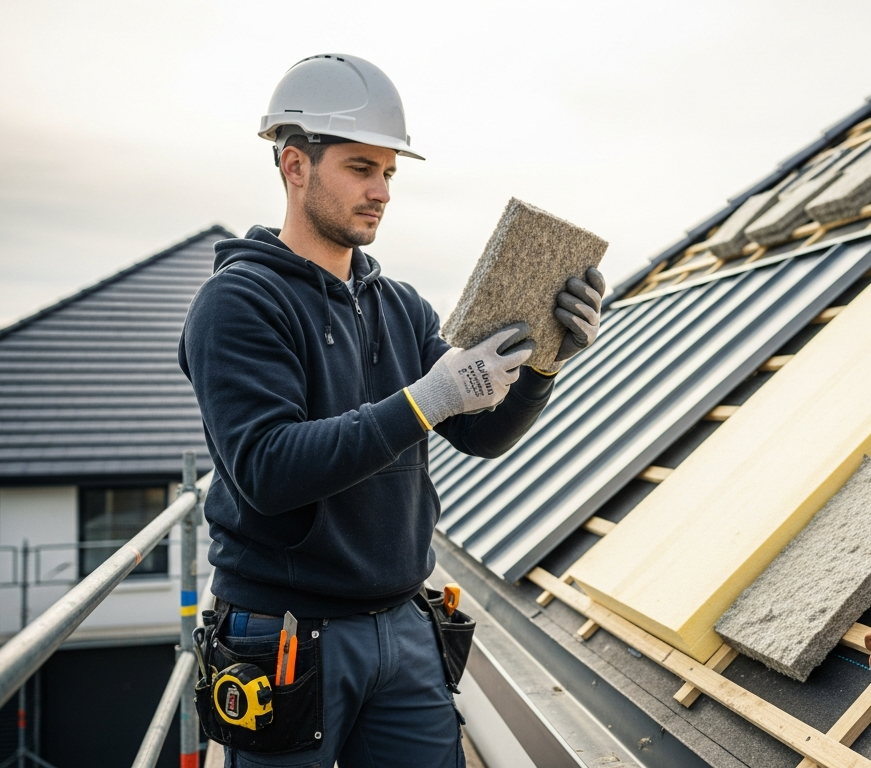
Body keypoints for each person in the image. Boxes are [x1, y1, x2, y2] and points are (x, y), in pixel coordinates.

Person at [178, 53, 604, 767]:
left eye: (389, 172)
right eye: (360, 168)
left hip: (404, 625)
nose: (380, 191)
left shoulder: (401, 307)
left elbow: (481, 432)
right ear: (294, 166)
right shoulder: (238, 303)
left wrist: (544, 362)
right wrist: (428, 397)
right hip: (286, 635)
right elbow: (269, 470)